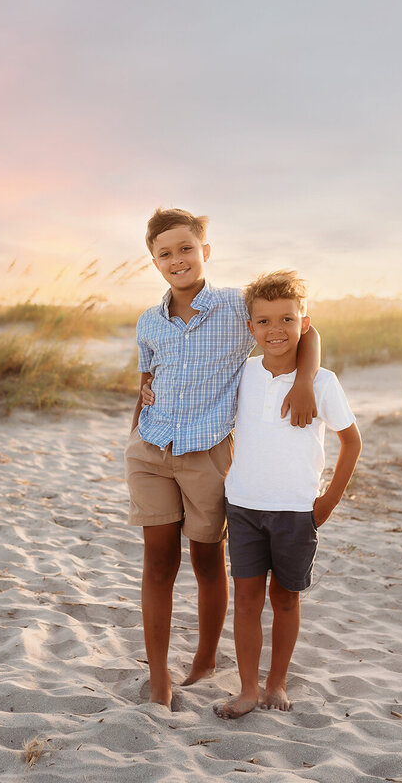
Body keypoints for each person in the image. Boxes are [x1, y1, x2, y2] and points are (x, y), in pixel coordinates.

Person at [127, 208, 321, 709]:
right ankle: (159, 679)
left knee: (207, 557)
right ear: (153, 261)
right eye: (165, 253)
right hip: (151, 450)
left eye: (186, 248)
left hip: (208, 453)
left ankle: (205, 659)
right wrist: (136, 425)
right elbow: (146, 378)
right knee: (157, 560)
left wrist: (303, 382)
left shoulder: (238, 307)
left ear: (204, 251)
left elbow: (308, 331)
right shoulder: (149, 322)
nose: (177, 260)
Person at [213, 269, 362, 719]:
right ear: (250, 327)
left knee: (286, 599)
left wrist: (328, 501)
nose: (275, 331)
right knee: (246, 601)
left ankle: (275, 681)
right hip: (243, 507)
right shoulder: (243, 373)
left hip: (297, 510)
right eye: (263, 322)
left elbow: (351, 441)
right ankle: (246, 689)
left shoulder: (321, 382)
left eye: (287, 320)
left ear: (304, 322)